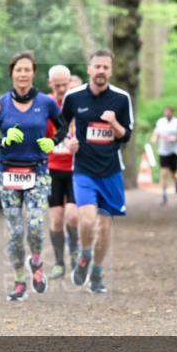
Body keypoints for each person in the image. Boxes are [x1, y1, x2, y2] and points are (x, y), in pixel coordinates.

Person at [0, 51, 67, 301]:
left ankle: (37, 262)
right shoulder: (0, 104)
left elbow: (63, 126)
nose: (23, 74)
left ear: (33, 73)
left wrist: (53, 142)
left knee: (35, 225)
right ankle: (19, 280)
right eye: (18, 69)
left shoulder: (46, 103)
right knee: (16, 230)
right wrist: (4, 140)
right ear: (12, 73)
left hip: (38, 172)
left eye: (27, 69)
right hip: (8, 171)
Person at [59, 49, 134, 294]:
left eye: (105, 67)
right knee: (88, 220)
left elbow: (127, 136)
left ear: (110, 71)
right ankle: (85, 254)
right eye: (97, 66)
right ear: (89, 69)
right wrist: (68, 142)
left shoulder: (121, 99)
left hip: (111, 170)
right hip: (84, 170)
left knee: (105, 226)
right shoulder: (73, 97)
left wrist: (113, 123)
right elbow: (61, 128)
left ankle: (98, 272)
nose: (101, 71)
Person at [45, 64, 80, 279]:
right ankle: (59, 262)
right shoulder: (46, 105)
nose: (60, 88)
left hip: (76, 168)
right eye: (57, 85)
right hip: (52, 169)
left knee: (73, 216)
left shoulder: (78, 104)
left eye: (64, 85)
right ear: (50, 84)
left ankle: (75, 251)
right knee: (56, 220)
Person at [150, 106, 177, 205]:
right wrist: (154, 139)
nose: (167, 113)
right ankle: (164, 195)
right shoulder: (160, 122)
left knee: (174, 172)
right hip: (163, 151)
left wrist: (174, 138)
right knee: (163, 173)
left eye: (169, 112)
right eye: (165, 111)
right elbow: (156, 132)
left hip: (174, 151)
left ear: (172, 113)